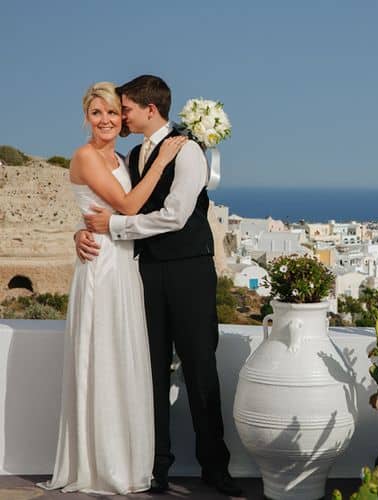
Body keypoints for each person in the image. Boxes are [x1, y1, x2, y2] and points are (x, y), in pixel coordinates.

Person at [78, 75, 241, 496]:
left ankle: (214, 467)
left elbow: (175, 215)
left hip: (189, 271)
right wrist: (82, 234)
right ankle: (155, 466)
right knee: (147, 370)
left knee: (200, 366)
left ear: (150, 110)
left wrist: (114, 227)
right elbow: (106, 201)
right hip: (144, 272)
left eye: (126, 109)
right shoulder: (132, 156)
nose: (121, 116)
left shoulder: (188, 151)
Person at [40, 82, 187, 494]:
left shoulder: (120, 156)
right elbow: (126, 206)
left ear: (122, 117)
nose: (105, 120)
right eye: (96, 113)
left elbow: (102, 211)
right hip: (102, 268)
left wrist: (77, 231)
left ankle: (124, 459)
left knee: (122, 359)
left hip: (124, 266)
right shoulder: (86, 156)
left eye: (112, 113)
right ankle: (102, 464)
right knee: (102, 358)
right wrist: (162, 162)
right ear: (86, 117)